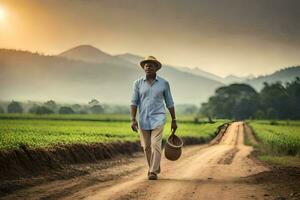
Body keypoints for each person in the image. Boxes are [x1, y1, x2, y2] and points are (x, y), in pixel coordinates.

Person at [130, 55, 177, 180]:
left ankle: (152, 171)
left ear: (156, 67)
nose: (148, 66)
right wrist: (133, 119)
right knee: (146, 146)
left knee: (156, 143)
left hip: (159, 118)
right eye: (146, 64)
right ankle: (153, 167)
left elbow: (170, 103)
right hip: (143, 119)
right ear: (143, 68)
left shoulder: (164, 83)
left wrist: (174, 119)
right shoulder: (138, 83)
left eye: (151, 64)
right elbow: (134, 102)